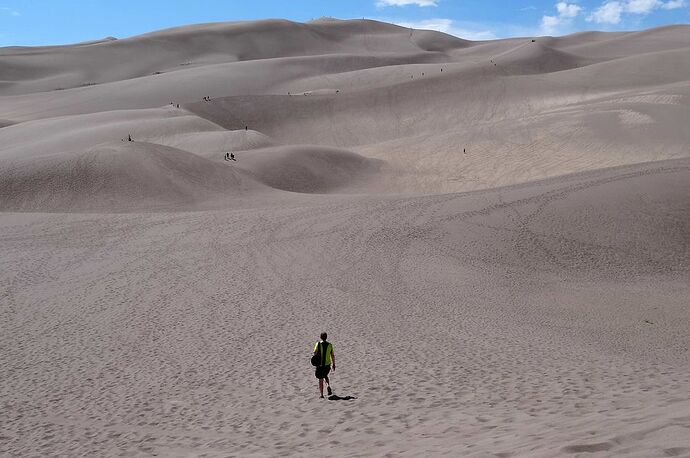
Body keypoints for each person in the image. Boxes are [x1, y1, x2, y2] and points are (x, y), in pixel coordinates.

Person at [313, 332, 335, 398]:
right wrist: (334, 364)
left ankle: (322, 395)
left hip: (320, 365)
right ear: (326, 337)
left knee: (320, 379)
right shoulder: (330, 345)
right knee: (325, 375)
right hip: (327, 365)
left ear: (320, 337)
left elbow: (314, 352)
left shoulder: (318, 344)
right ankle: (328, 385)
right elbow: (332, 355)